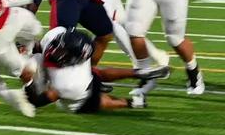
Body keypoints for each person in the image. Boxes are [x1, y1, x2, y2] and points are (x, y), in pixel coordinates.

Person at [24, 28, 169, 113]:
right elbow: (40, 47)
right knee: (98, 73)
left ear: (73, 60)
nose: (55, 51)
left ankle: (132, 103)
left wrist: (28, 82)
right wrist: (26, 48)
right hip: (86, 75)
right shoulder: (56, 35)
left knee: (100, 101)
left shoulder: (67, 83)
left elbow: (36, 102)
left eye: (62, 52)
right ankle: (139, 72)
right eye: (58, 46)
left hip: (80, 94)